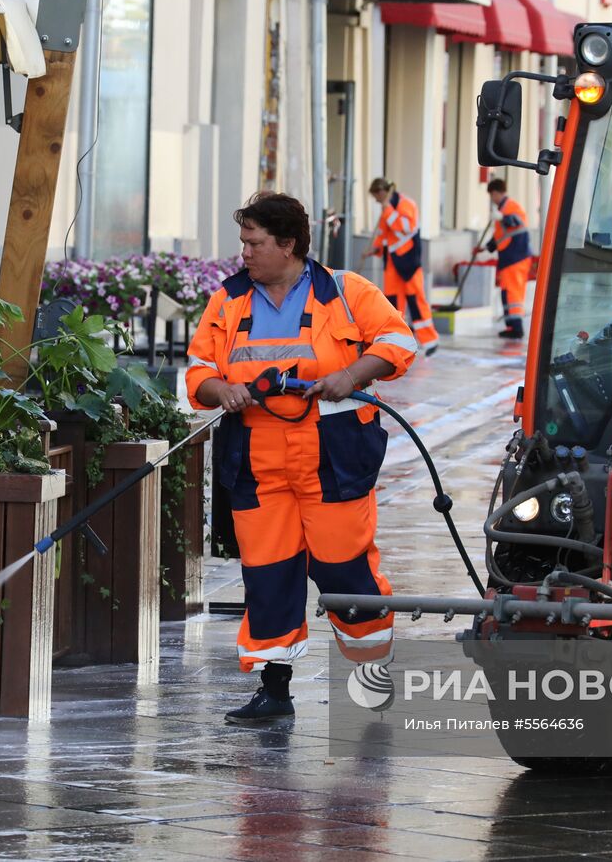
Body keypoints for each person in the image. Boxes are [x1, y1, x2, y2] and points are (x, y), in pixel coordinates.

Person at [187, 192, 419, 724]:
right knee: (267, 574)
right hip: (256, 456)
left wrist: (352, 376)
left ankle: (371, 684)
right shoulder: (228, 301)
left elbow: (397, 340)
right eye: (243, 242)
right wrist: (220, 389)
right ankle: (274, 691)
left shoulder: (346, 291)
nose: (244, 253)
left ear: (287, 245)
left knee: (346, 573)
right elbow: (198, 371)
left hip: (331, 457)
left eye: (254, 243)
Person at [361, 178, 440, 356]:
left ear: (381, 192)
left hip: (409, 262)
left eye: (376, 197)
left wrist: (388, 210)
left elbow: (406, 227)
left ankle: (430, 340)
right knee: (393, 304)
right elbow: (384, 234)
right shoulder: (386, 209)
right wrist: (374, 249)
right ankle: (398, 341)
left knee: (416, 300)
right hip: (392, 263)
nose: (376, 201)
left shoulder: (405, 204)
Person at [475, 178, 531, 339]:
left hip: (516, 256)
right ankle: (510, 326)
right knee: (507, 292)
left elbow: (517, 221)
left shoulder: (511, 207)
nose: (492, 198)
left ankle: (517, 328)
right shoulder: (503, 208)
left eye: (492, 195)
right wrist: (485, 248)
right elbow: (500, 236)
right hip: (509, 257)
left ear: (497, 193)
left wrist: (502, 217)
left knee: (513, 293)